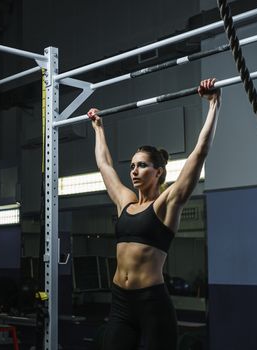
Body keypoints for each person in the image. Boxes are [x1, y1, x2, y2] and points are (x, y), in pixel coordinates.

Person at [87, 78, 221, 350]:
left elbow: (200, 151)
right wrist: (98, 129)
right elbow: (104, 164)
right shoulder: (125, 201)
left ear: (158, 172)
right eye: (133, 166)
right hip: (120, 303)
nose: (134, 171)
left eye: (143, 166)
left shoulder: (166, 204)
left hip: (152, 303)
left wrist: (214, 104)